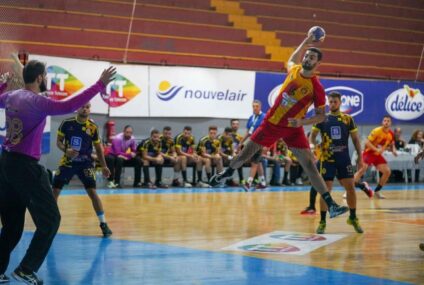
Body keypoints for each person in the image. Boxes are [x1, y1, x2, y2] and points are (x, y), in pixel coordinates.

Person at [0, 60, 115, 284]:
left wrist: (2, 86)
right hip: (25, 166)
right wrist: (100, 84)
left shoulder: (12, 97)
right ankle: (26, 269)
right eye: (46, 76)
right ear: (41, 77)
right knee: (51, 220)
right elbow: (69, 106)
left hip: (5, 165)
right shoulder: (37, 101)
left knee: (12, 226)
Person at [210, 34, 348, 218]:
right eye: (306, 55)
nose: (307, 58)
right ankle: (228, 172)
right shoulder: (295, 69)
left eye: (312, 57)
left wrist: (301, 122)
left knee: (310, 165)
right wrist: (306, 41)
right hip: (271, 124)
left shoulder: (316, 88)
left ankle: (331, 206)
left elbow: (321, 116)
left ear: (318, 63)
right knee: (245, 153)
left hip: (293, 128)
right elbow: (291, 59)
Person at [305, 92, 365, 234]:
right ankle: (322, 222)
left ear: (340, 102)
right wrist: (313, 147)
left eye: (335, 102)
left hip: (343, 159)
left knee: (350, 188)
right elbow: (312, 137)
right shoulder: (322, 119)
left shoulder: (348, 119)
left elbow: (356, 140)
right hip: (327, 160)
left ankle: (353, 217)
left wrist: (360, 157)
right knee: (326, 190)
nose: (332, 104)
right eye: (330, 102)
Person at [52, 103, 113, 237]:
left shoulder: (93, 127)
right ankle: (51, 221)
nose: (84, 109)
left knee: (92, 191)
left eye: (87, 107)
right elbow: (58, 142)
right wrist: (65, 150)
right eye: (82, 107)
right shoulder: (66, 123)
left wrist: (104, 166)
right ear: (77, 108)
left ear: (90, 110)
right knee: (55, 190)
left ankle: (103, 224)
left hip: (86, 163)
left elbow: (98, 149)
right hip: (68, 162)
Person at [354, 116, 397, 199]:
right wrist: (376, 149)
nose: (386, 122)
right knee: (362, 170)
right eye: (385, 120)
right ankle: (348, 190)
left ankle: (377, 191)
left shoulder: (391, 134)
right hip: (369, 152)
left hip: (377, 155)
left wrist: (394, 150)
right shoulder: (377, 131)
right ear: (382, 122)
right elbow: (367, 142)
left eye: (388, 121)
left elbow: (392, 144)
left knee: (387, 171)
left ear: (390, 123)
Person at [239, 100, 267, 191]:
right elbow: (248, 132)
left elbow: (269, 131)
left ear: (260, 107)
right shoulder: (251, 117)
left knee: (254, 162)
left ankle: (248, 183)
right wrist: (241, 142)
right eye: (253, 106)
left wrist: (267, 144)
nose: (255, 108)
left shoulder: (265, 117)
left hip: (261, 142)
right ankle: (262, 182)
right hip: (252, 142)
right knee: (257, 162)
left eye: (256, 106)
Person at [230, 119, 244, 184]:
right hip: (227, 155)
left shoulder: (240, 137)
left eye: (237, 124)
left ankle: (242, 180)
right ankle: (228, 179)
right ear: (231, 125)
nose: (235, 125)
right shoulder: (227, 136)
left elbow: (242, 148)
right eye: (233, 124)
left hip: (236, 155)